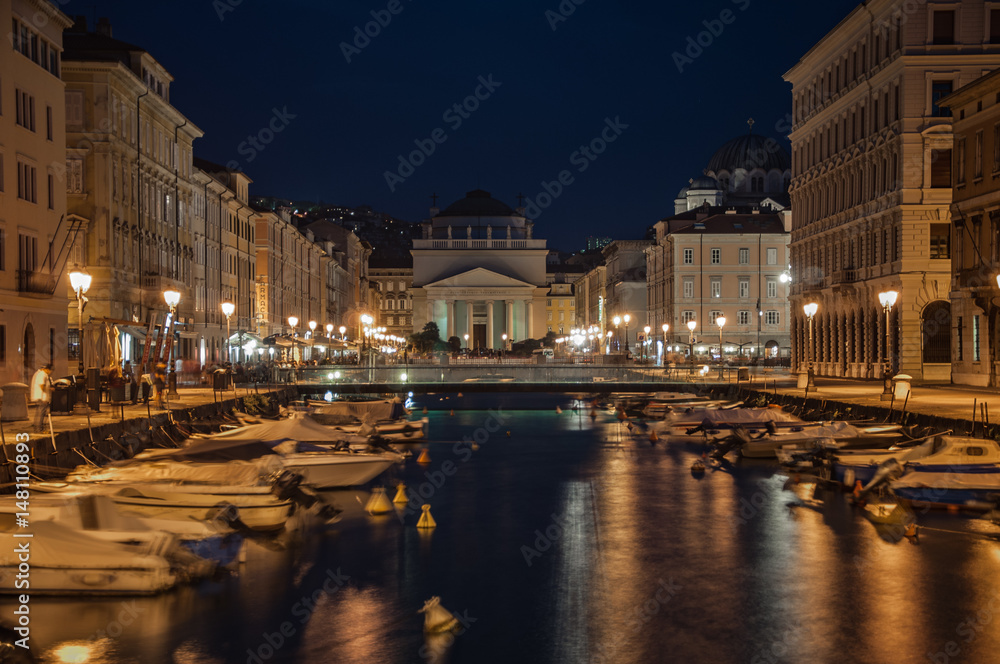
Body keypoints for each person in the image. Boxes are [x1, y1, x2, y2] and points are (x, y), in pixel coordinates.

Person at [30, 364, 52, 433]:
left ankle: (39, 428)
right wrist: (50, 389)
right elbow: (42, 386)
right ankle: (39, 429)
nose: (50, 372)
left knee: (40, 413)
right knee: (40, 414)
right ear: (47, 369)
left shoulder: (40, 374)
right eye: (50, 370)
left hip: (41, 397)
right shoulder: (42, 374)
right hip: (42, 397)